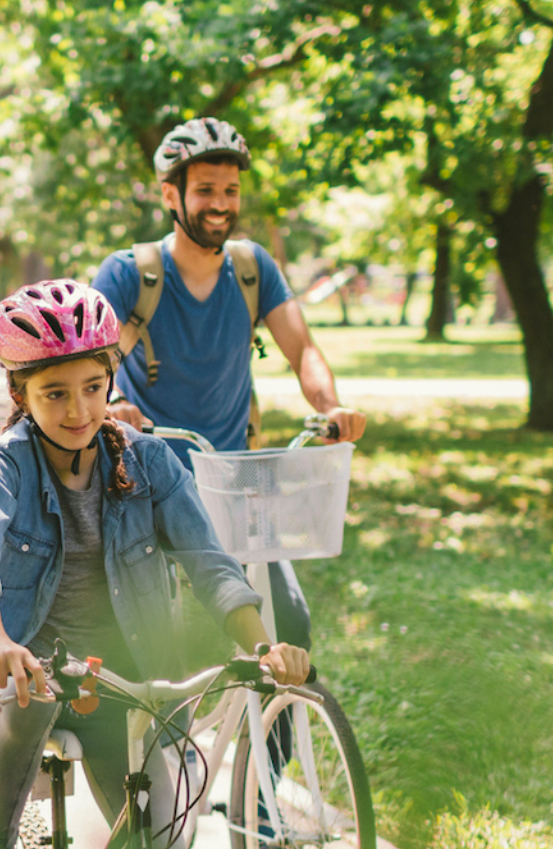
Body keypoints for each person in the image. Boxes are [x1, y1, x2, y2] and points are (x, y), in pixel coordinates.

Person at [0, 279, 310, 849]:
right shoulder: (5, 466)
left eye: (92, 388)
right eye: (54, 393)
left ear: (112, 382)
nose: (78, 409)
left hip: (119, 682)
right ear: (19, 395)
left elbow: (209, 564)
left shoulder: (150, 463)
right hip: (25, 670)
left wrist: (261, 646)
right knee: (32, 688)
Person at [89, 116, 363, 648]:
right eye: (206, 190)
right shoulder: (130, 274)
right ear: (172, 194)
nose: (221, 204)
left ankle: (275, 732)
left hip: (234, 483)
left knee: (288, 625)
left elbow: (301, 348)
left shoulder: (252, 269)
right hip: (151, 483)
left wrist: (333, 407)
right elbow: (96, 363)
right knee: (158, 640)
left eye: (231, 191)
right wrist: (116, 400)